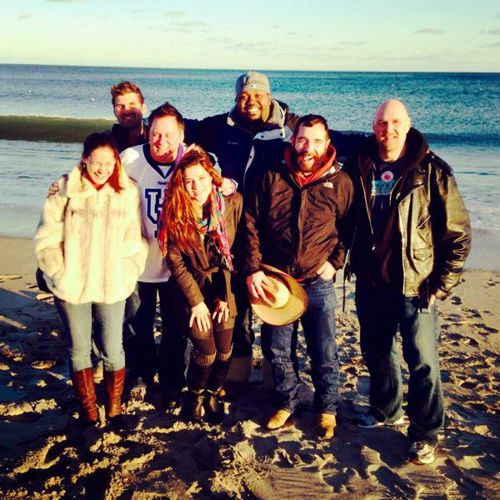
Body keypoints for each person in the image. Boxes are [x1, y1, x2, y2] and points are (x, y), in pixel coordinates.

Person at [186, 71, 364, 388]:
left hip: (272, 240)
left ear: (269, 97)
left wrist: (391, 145)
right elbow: (186, 129)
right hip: (230, 232)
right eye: (244, 96)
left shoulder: (290, 128)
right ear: (236, 98)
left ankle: (275, 378)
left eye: (257, 95)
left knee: (278, 309)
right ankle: (237, 373)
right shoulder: (221, 127)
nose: (250, 101)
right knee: (237, 307)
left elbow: (332, 142)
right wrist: (136, 127)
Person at [345, 99, 471, 464]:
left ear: (408, 124)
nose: (389, 129)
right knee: (377, 353)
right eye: (382, 123)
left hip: (416, 284)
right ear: (374, 126)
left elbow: (457, 234)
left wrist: (441, 285)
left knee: (423, 362)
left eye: (396, 122)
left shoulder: (432, 170)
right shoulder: (360, 165)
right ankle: (386, 409)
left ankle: (426, 432)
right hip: (371, 280)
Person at [244, 115, 353, 439]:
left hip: (318, 281)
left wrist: (335, 262)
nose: (308, 147)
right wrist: (253, 268)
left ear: (327, 144)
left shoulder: (341, 182)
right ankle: (286, 402)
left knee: (324, 350)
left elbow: (350, 228)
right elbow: (250, 222)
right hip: (277, 282)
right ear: (293, 141)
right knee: (277, 350)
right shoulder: (272, 176)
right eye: (303, 139)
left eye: (316, 141)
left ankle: (327, 408)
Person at [35, 132, 147, 428]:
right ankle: (88, 411)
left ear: (116, 162)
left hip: (113, 283)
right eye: (97, 162)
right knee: (79, 348)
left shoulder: (127, 191)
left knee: (113, 348)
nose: (103, 169)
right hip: (72, 285)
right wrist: (58, 273)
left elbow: (135, 239)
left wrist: (127, 271)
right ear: (85, 159)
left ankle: (114, 409)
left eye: (109, 163)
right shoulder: (64, 188)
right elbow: (47, 238)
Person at [157, 146, 242, 423]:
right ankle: (194, 396)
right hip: (190, 288)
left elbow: (236, 252)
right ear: (181, 183)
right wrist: (196, 302)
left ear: (212, 176)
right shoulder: (174, 212)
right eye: (189, 181)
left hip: (224, 284)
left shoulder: (231, 203)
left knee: (225, 347)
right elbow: (176, 264)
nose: (196, 187)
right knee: (206, 349)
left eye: (202, 178)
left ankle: (212, 394)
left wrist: (224, 296)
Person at [119, 102, 190, 407]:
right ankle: (141, 375)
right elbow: (96, 183)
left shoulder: (192, 160)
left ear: (181, 134)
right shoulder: (131, 158)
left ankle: (173, 382)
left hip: (177, 264)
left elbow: (219, 188)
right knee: (137, 323)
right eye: (155, 134)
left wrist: (230, 184)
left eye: (168, 135)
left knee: (177, 327)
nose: (161, 141)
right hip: (138, 262)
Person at [110, 81, 148, 152]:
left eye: (132, 104)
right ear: (114, 112)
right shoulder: (108, 141)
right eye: (120, 106)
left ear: (143, 108)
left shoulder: (155, 137)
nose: (126, 110)